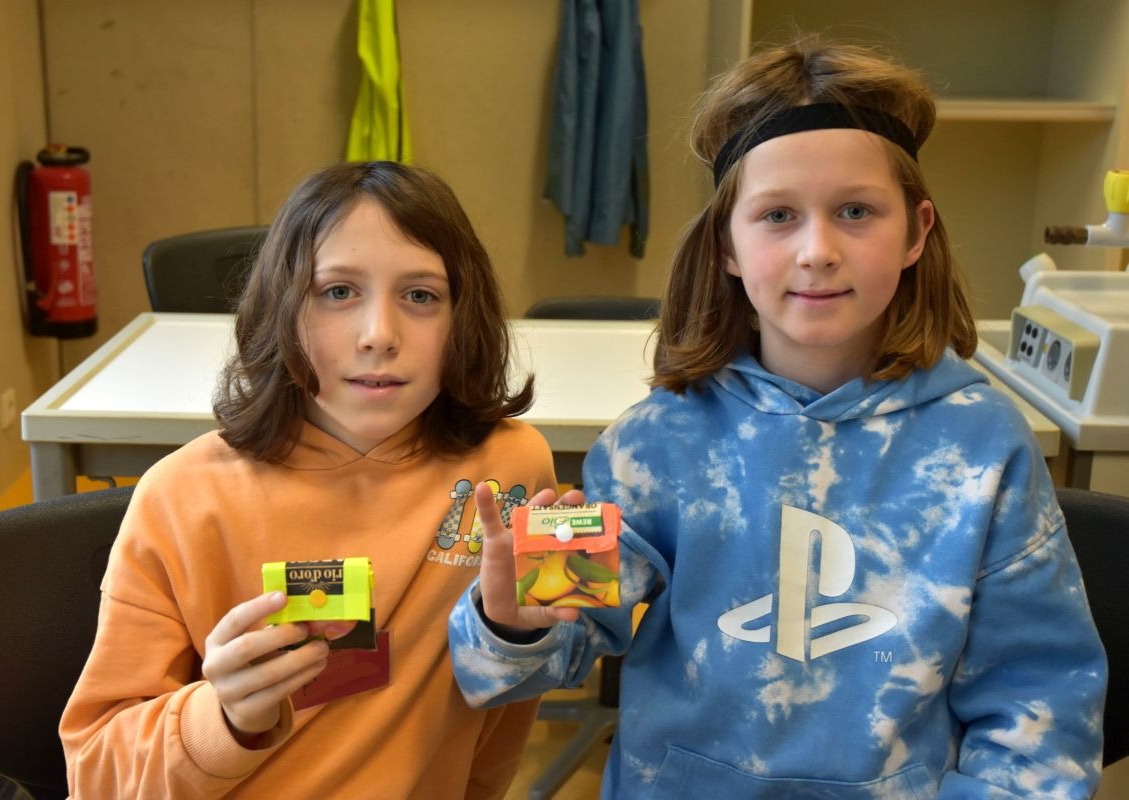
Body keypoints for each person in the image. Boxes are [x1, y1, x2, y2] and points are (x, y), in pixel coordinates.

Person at [449, 36, 1107, 798]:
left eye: (856, 211)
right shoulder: (651, 442)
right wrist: (509, 618)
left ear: (916, 231)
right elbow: (528, 658)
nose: (817, 250)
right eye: (778, 215)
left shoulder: (985, 447)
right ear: (726, 244)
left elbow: (1040, 707)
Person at [61, 161, 563, 798]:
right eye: (338, 291)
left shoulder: (511, 471)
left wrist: (517, 634)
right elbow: (95, 773)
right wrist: (224, 718)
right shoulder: (181, 498)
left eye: (420, 296)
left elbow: (503, 721)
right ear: (282, 305)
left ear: (465, 315)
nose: (379, 335)